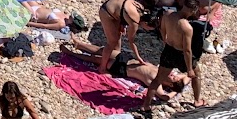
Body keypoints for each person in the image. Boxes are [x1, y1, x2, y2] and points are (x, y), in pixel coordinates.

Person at [140, 0, 205, 109]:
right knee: (196, 75)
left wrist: (166, 41)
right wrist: (189, 69)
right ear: (193, 10)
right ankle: (197, 101)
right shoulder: (187, 27)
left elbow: (162, 31)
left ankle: (146, 105)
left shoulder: (168, 14)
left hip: (168, 50)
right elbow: (187, 50)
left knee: (158, 79)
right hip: (180, 54)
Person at [61, 37, 189, 93]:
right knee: (104, 50)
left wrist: (173, 93)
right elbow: (187, 76)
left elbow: (163, 96)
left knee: (96, 59)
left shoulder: (156, 82)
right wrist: (182, 84)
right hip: (129, 60)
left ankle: (71, 53)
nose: (174, 74)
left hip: (122, 68)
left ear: (171, 84)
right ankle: (79, 44)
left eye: (174, 78)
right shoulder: (164, 73)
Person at [95, 0, 150, 73]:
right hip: (106, 12)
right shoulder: (135, 21)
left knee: (118, 35)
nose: (148, 30)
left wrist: (123, 25)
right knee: (112, 41)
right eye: (148, 28)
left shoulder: (141, 9)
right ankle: (102, 67)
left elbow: (124, 12)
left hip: (115, 8)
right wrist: (139, 58)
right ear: (145, 23)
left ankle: (114, 56)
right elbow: (131, 42)